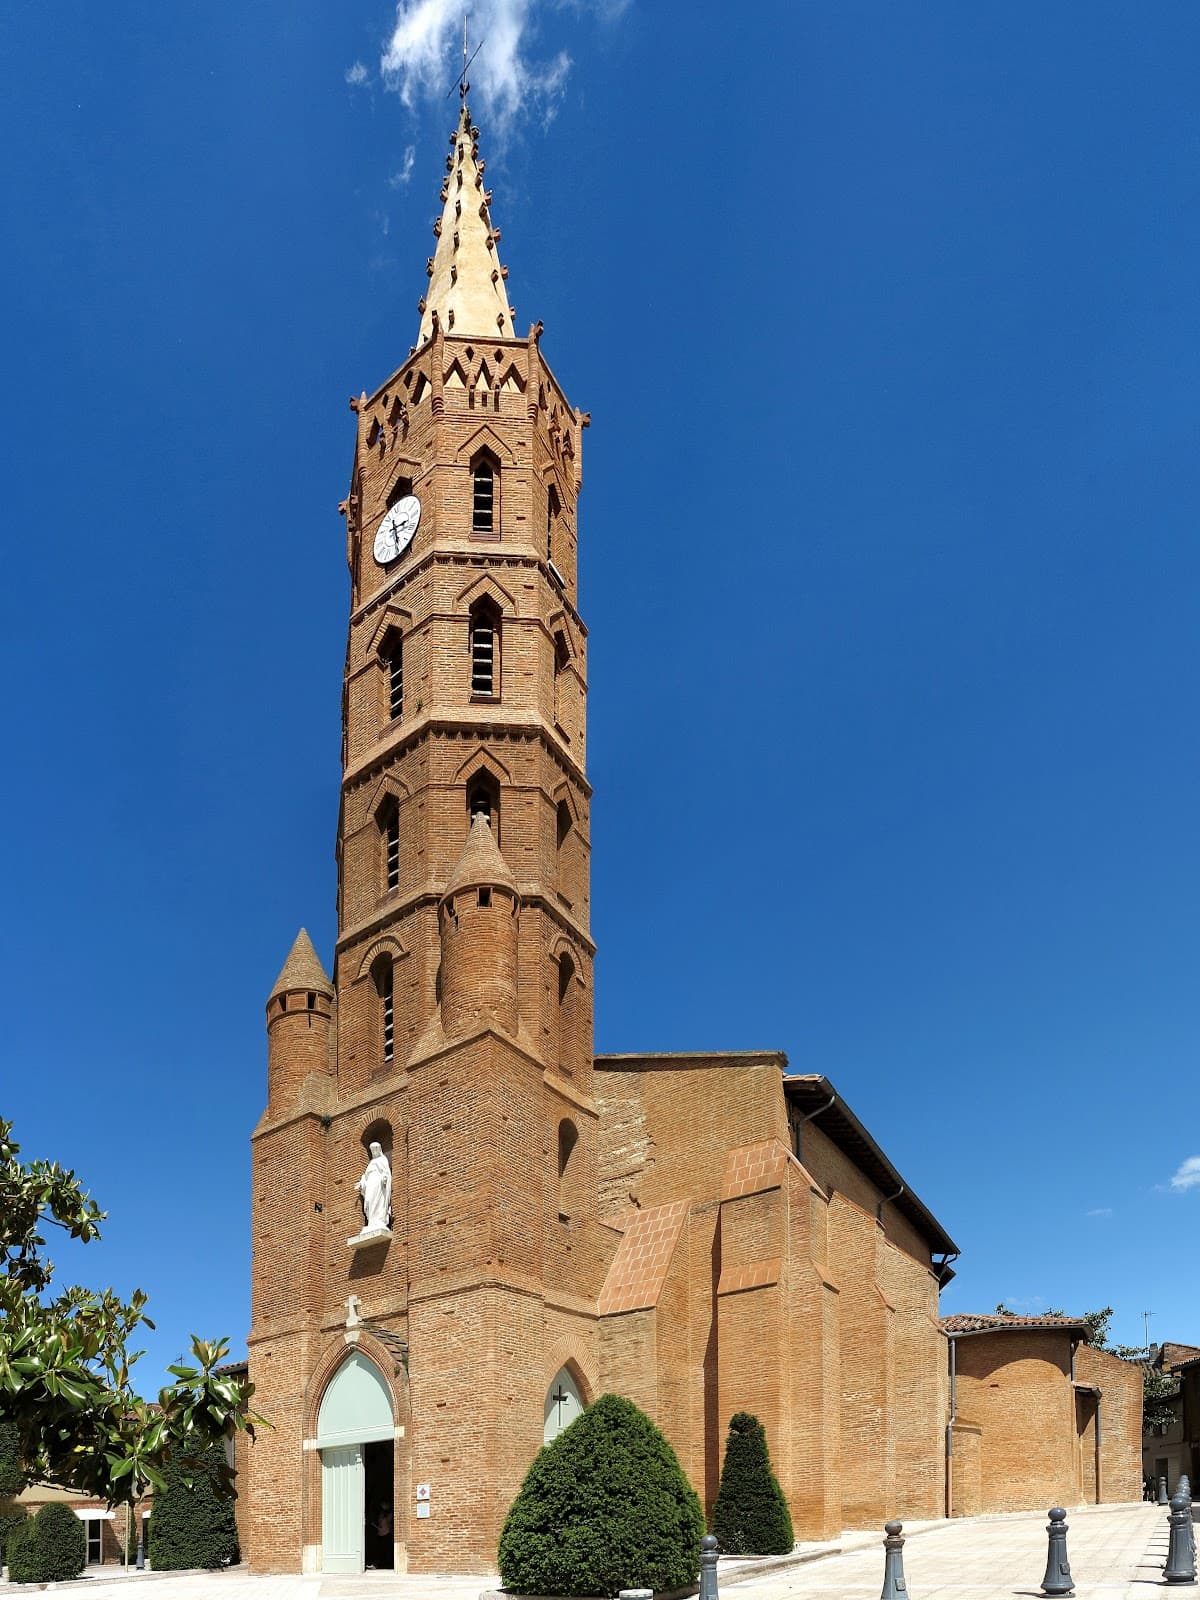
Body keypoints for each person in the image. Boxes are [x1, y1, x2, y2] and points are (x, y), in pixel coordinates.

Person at [356, 1142, 392, 1232]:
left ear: (379, 1150)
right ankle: (371, 1222)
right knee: (369, 1200)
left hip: (379, 1183)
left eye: (375, 1150)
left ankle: (379, 1220)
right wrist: (362, 1182)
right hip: (371, 1183)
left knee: (379, 1200)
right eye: (372, 1150)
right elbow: (366, 1176)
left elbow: (386, 1172)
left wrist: (384, 1178)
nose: (374, 1152)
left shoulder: (383, 1160)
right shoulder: (371, 1162)